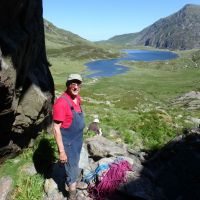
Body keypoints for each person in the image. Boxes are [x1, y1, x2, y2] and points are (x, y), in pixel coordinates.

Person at [53, 73, 87, 200]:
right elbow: (56, 129)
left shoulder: (77, 99)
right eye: (73, 84)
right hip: (68, 143)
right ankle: (71, 194)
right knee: (72, 167)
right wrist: (62, 152)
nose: (76, 87)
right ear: (68, 85)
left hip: (77, 139)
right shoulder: (61, 103)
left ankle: (72, 180)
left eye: (78, 84)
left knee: (74, 163)